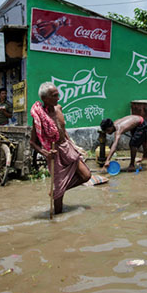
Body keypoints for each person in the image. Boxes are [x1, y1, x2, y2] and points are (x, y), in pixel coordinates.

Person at [29, 82, 91, 214]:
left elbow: (63, 129)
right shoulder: (40, 117)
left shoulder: (59, 108)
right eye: (55, 95)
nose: (58, 98)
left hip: (67, 147)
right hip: (54, 153)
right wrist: (45, 153)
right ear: (45, 99)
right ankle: (57, 221)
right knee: (58, 205)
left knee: (86, 175)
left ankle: (57, 190)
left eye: (58, 94)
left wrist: (73, 144)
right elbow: (32, 142)